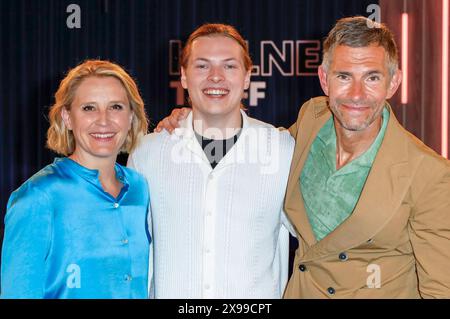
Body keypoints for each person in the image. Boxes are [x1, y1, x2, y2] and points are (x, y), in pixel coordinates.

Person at [158, 17, 450, 298]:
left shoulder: (430, 174)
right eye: (344, 76)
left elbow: (441, 289)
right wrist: (193, 118)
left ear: (394, 82)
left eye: (372, 77)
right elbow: (250, 145)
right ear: (324, 80)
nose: (357, 94)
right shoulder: (311, 121)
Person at [128, 23, 295, 298]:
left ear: (247, 77)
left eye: (229, 66)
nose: (215, 77)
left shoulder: (282, 149)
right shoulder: (147, 153)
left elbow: (318, 240)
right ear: (183, 76)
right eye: (202, 66)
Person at [1, 60, 151, 298]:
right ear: (67, 117)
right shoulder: (38, 197)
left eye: (116, 107)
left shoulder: (140, 188)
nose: (104, 120)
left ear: (131, 116)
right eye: (89, 108)